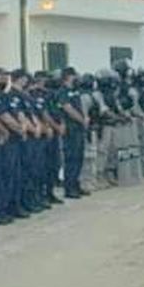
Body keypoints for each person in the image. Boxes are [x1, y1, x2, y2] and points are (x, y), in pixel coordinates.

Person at [57, 67, 88, 198]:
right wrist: (82, 119)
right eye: (74, 75)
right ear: (68, 76)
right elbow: (67, 108)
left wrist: (85, 117)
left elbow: (81, 106)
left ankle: (76, 184)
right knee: (71, 158)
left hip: (79, 128)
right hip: (71, 129)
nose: (76, 78)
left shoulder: (75, 91)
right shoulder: (62, 92)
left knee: (79, 158)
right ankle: (69, 188)